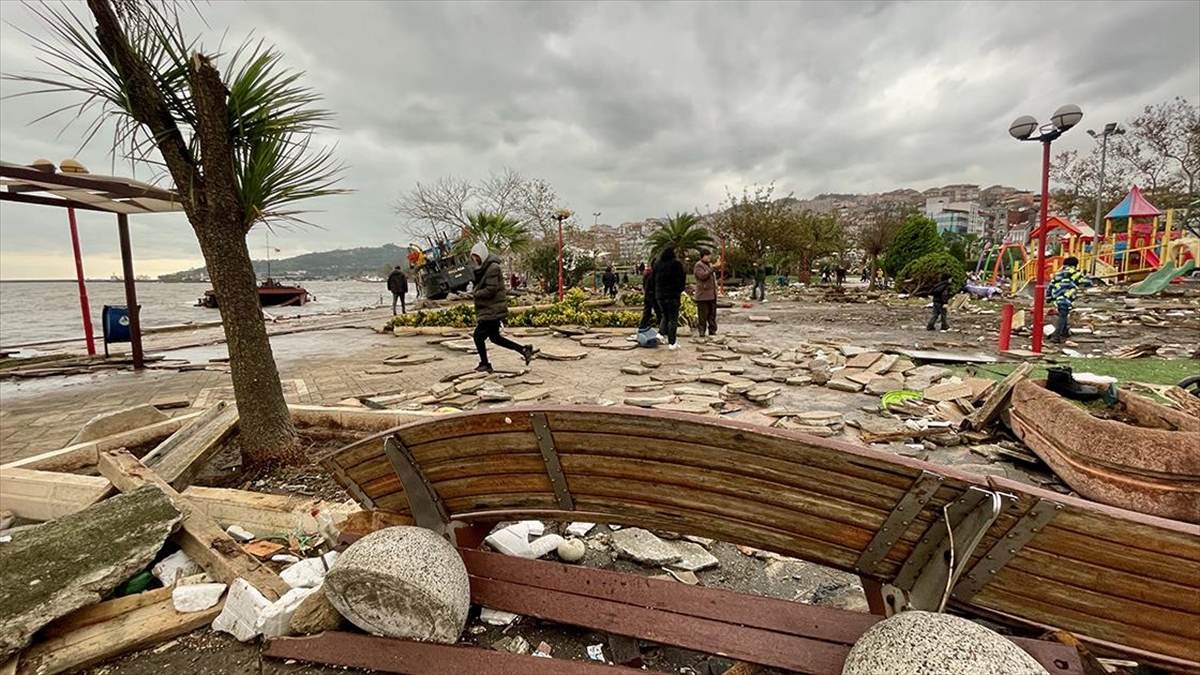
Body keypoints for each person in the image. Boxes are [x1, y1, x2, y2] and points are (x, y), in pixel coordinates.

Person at [469, 242, 534, 373]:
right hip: (490, 309)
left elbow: (491, 289)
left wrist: (475, 293)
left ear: (482, 255)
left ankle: (485, 363)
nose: (475, 260)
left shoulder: (493, 268)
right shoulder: (484, 268)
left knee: (478, 336)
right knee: (495, 337)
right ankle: (523, 350)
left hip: (492, 310)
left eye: (476, 257)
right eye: (473, 257)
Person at [1047, 256, 1091, 343]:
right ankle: (1056, 336)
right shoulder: (1076, 273)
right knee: (1063, 315)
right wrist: (1088, 278)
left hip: (1057, 297)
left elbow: (1050, 287)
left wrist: (1049, 297)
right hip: (1067, 297)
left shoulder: (1058, 274)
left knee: (1063, 313)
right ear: (1075, 265)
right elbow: (1086, 283)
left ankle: (1064, 332)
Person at [654, 246, 687, 350]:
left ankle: (661, 333)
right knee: (673, 318)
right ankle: (672, 343)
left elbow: (654, 278)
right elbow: (682, 278)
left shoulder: (658, 264)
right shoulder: (676, 263)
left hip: (660, 295)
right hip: (673, 295)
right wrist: (680, 290)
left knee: (665, 315)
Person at [693, 249, 720, 337]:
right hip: (703, 295)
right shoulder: (698, 265)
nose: (709, 257)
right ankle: (702, 331)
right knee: (703, 315)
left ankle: (712, 331)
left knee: (712, 315)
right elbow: (702, 276)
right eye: (707, 255)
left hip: (712, 295)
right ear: (702, 256)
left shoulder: (709, 265)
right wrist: (712, 268)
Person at [638, 258, 661, 331]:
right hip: (653, 295)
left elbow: (645, 285)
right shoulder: (653, 274)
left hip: (648, 295)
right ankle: (662, 329)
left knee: (647, 312)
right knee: (659, 312)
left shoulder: (647, 273)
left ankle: (642, 327)